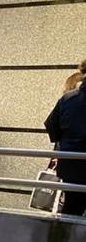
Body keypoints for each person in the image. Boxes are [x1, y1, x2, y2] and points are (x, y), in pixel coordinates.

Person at [45, 78, 86, 216]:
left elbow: (50, 124)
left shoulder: (68, 98)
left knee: (72, 208)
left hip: (71, 163)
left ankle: (65, 237)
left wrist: (65, 142)